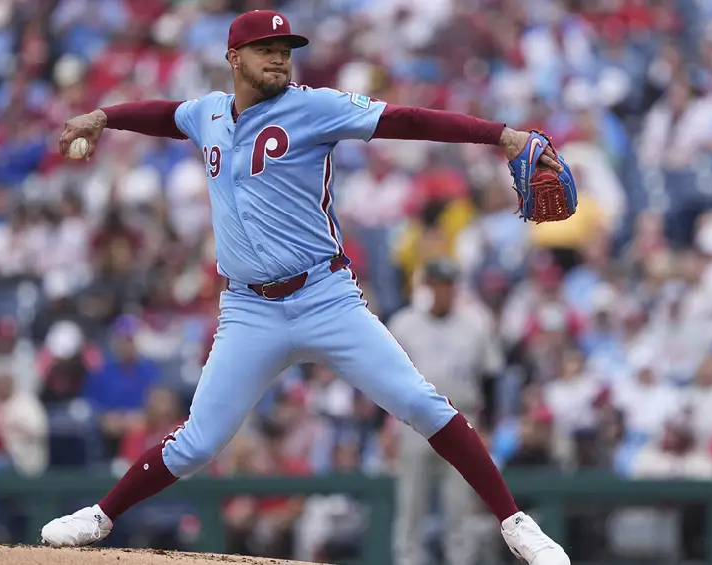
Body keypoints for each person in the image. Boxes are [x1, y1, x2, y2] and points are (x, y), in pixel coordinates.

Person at [41, 10, 569, 565]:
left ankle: (517, 525)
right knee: (197, 442)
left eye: (285, 49)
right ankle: (100, 516)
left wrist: (502, 135)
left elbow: (407, 119)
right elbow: (165, 115)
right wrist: (104, 116)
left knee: (420, 402)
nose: (278, 57)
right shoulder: (209, 113)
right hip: (249, 309)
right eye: (265, 48)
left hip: (324, 296)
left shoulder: (315, 107)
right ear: (233, 57)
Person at [387, 259, 503, 565]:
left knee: (459, 505)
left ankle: (460, 561)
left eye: (448, 284)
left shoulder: (476, 322)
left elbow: (490, 379)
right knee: (411, 504)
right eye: (437, 284)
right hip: (414, 421)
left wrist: (488, 427)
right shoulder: (404, 324)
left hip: (462, 416)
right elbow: (385, 377)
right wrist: (381, 426)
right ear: (426, 287)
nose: (443, 290)